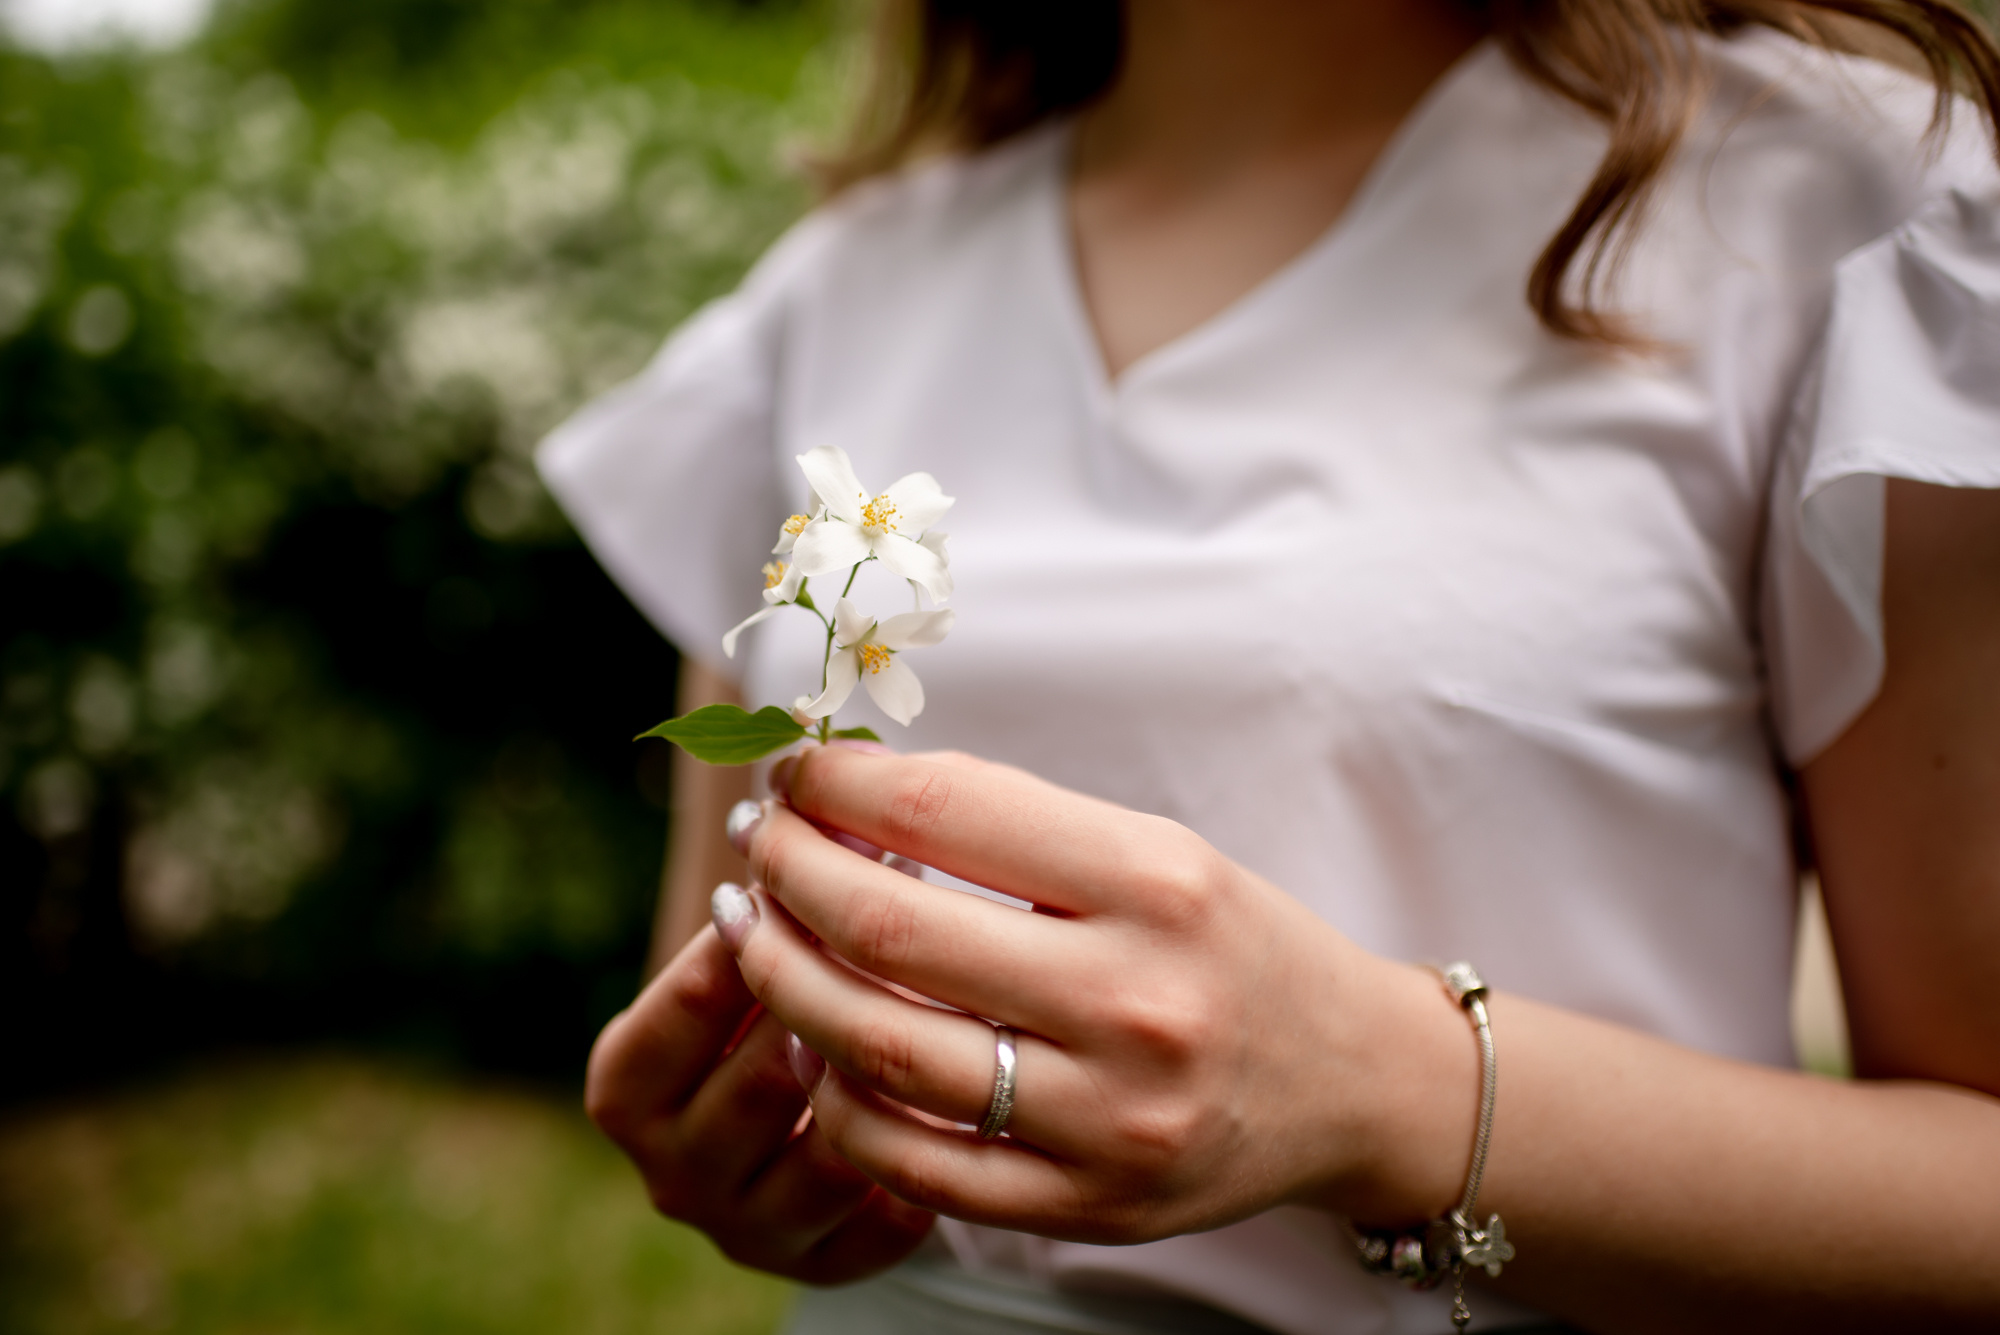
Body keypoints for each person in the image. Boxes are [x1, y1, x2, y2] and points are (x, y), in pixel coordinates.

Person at [538, 2, 2000, 1331]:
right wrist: (761, 1161)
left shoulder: (1835, 206)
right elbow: (729, 1017)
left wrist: (1388, 1092)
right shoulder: (846, 288)